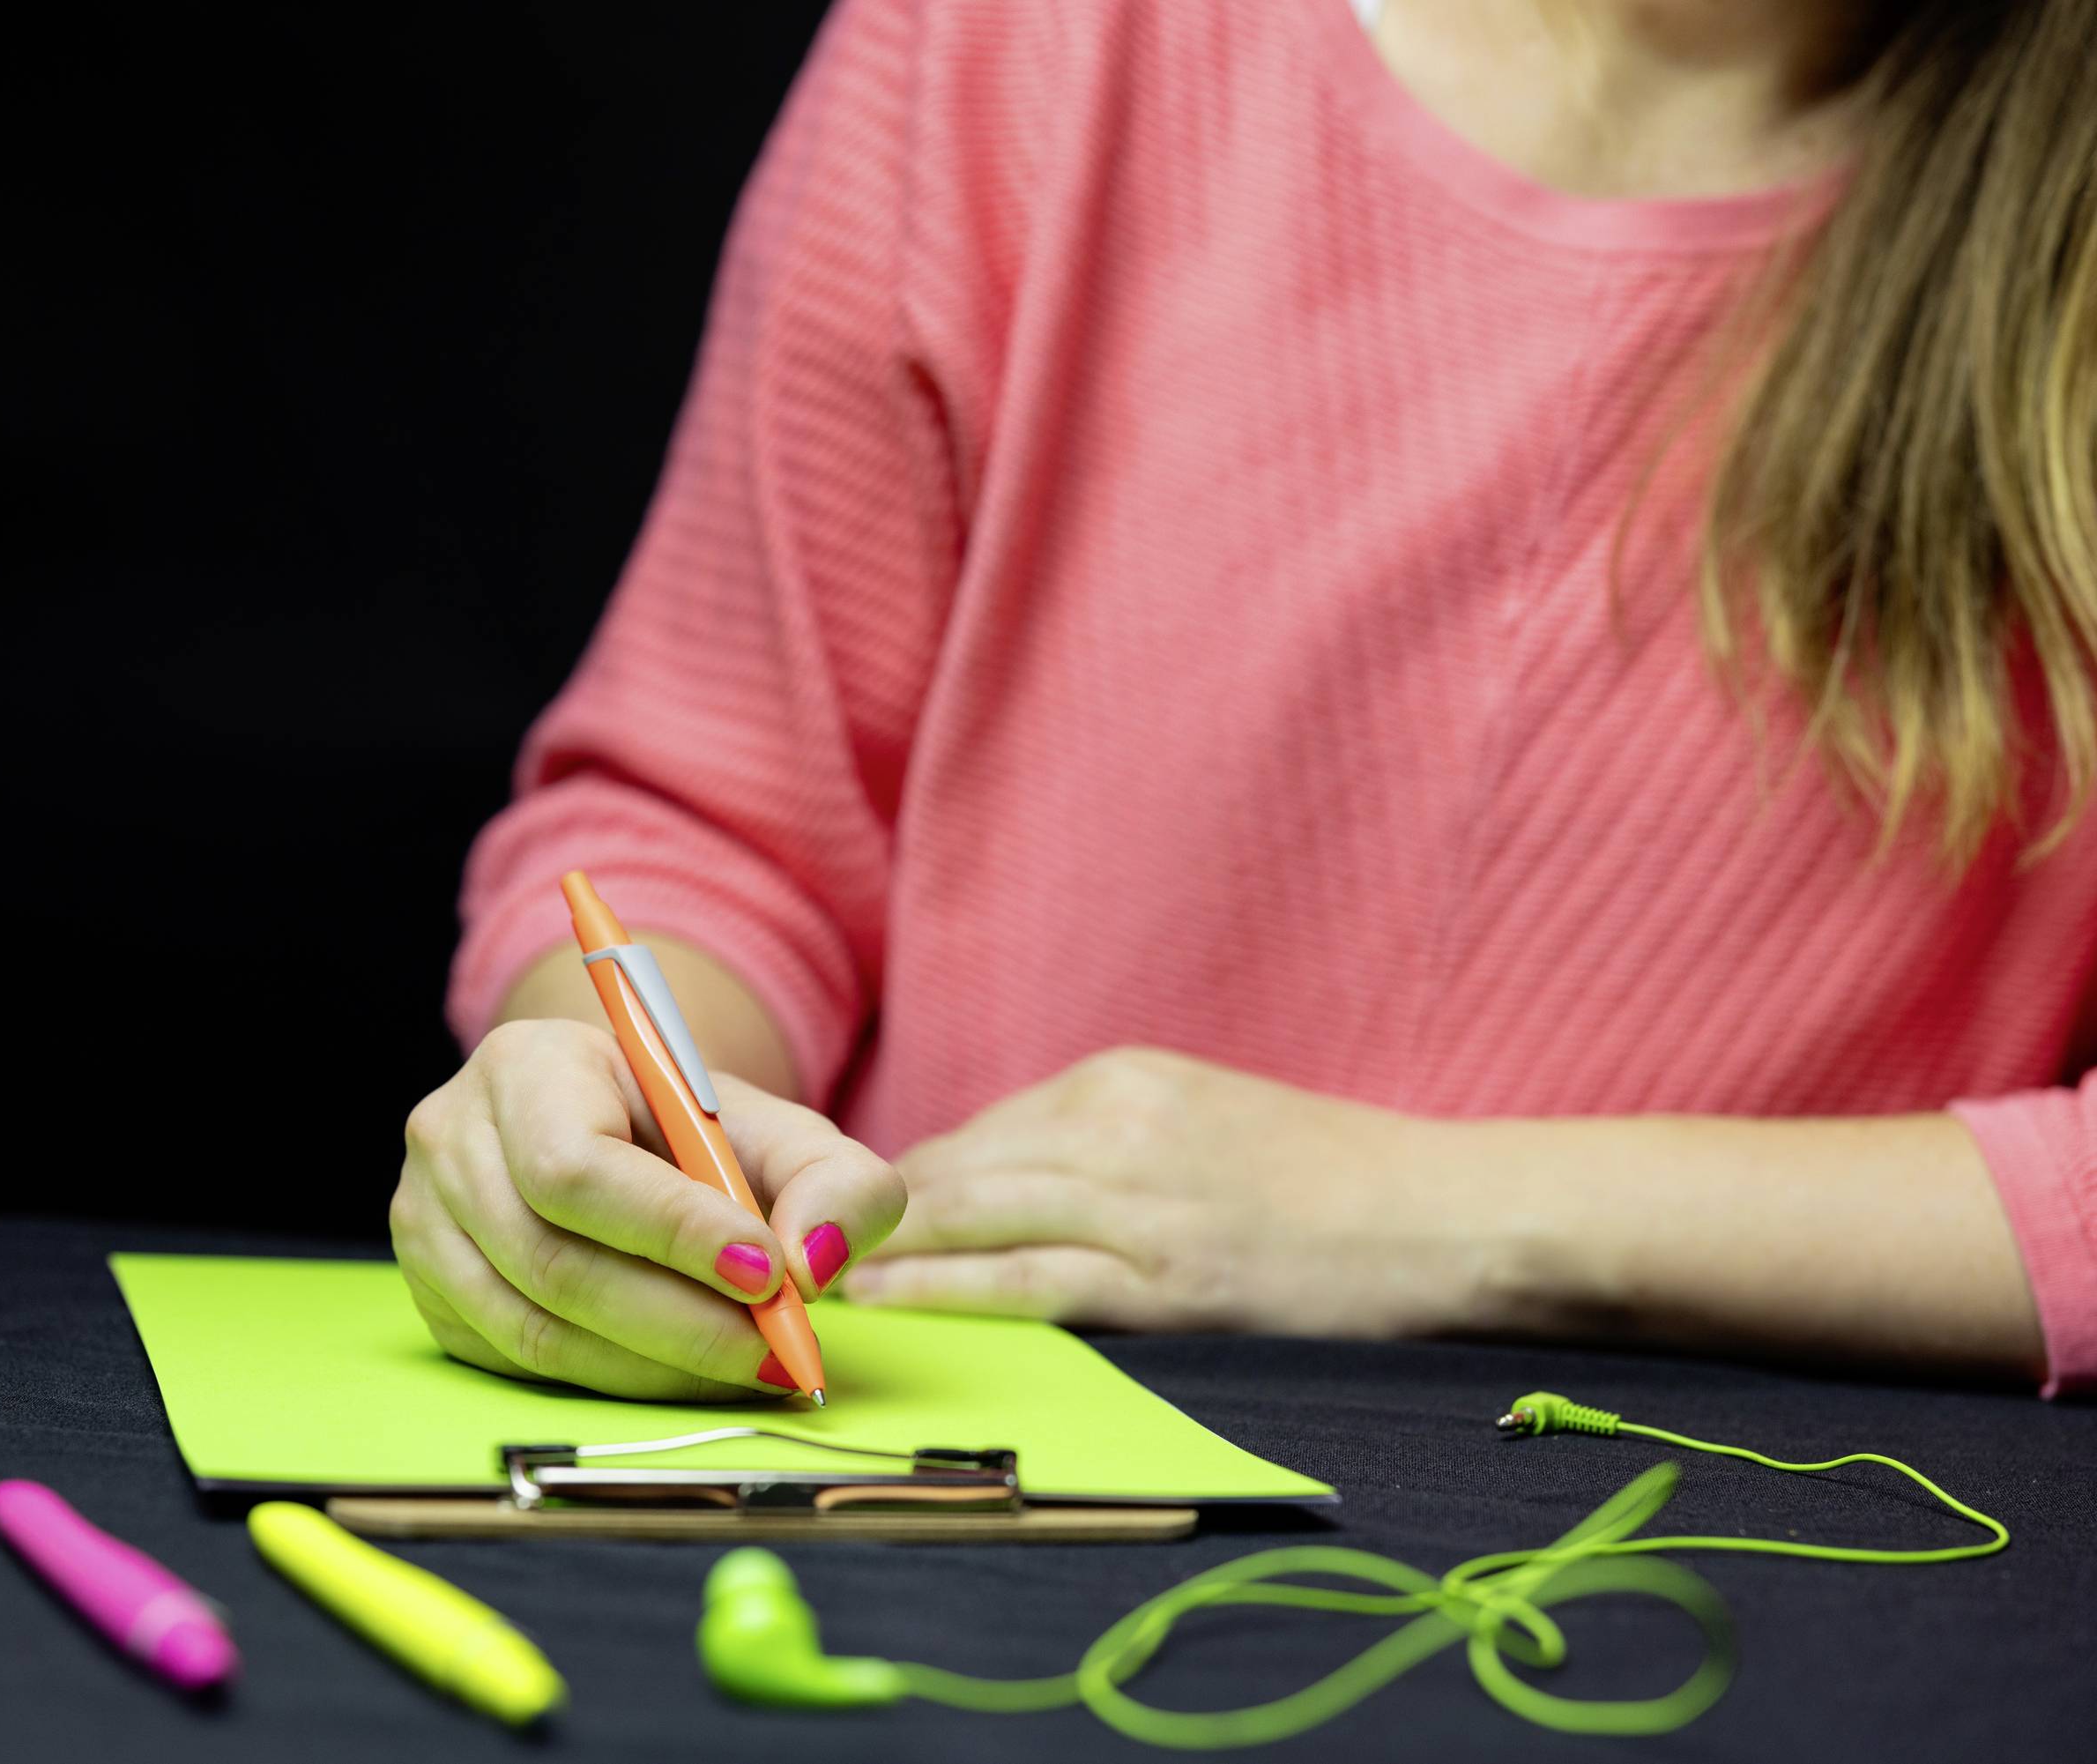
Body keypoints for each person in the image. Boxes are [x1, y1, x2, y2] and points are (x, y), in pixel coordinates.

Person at [392, 0, 2096, 1402]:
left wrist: (1426, 1221)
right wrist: (614, 1113)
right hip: (955, 1494)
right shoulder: (1021, 47)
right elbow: (710, 829)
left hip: (1755, 1575)